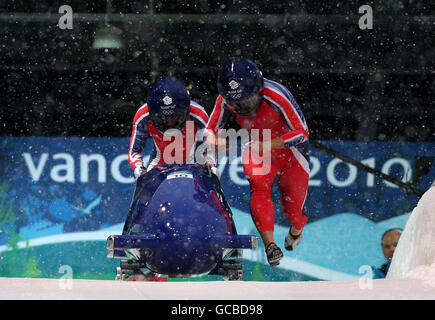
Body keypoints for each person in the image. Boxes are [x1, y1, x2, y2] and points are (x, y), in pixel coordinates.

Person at [205, 57, 310, 266]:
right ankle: (270, 246)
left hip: (291, 152)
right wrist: (212, 140)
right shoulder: (224, 100)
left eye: (247, 99)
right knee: (258, 186)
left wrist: (270, 144)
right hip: (257, 146)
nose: (241, 106)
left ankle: (297, 230)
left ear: (258, 89)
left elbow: (302, 133)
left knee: (294, 213)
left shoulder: (277, 95)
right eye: (236, 102)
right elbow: (209, 129)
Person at [128, 75, 210, 178]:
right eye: (164, 117)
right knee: (145, 188)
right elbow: (135, 151)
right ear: (153, 112)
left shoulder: (198, 114)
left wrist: (210, 166)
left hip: (195, 164)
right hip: (159, 163)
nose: (170, 122)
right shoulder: (143, 116)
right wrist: (139, 168)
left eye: (174, 116)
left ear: (185, 110)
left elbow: (209, 147)